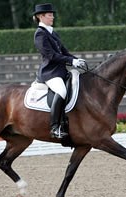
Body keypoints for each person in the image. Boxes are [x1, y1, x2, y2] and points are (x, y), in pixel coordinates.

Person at [33, 3, 86, 139]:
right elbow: (51, 55)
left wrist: (77, 60)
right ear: (41, 16)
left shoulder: (52, 32)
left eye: (52, 15)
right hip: (50, 73)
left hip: (61, 71)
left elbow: (64, 52)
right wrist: (71, 61)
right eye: (50, 15)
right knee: (61, 91)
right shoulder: (40, 34)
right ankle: (55, 127)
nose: (53, 17)